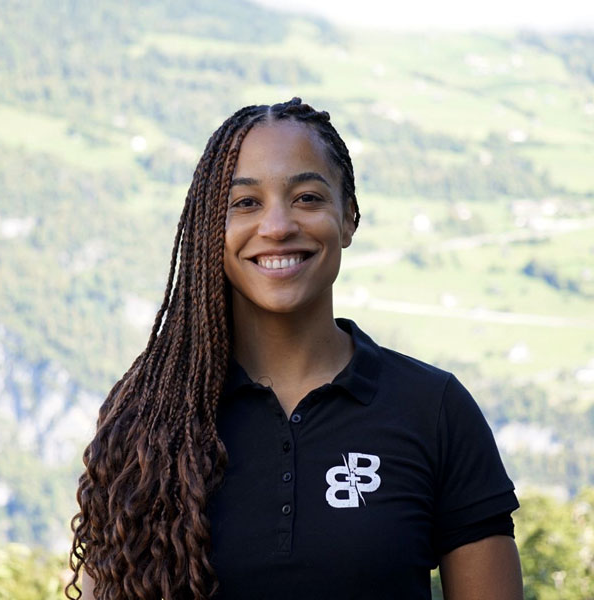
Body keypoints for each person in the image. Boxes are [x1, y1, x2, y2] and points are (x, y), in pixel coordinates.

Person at [67, 98, 523, 600]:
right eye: (245, 203)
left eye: (307, 197)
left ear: (349, 218)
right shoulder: (149, 417)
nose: (278, 226)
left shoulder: (434, 409)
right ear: (209, 229)